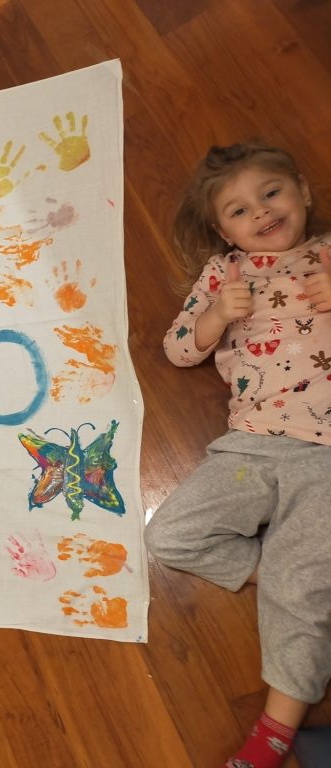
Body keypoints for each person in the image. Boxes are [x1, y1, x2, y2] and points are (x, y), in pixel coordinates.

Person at [145, 140, 331, 768]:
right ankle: (294, 578)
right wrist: (216, 315)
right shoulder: (223, 274)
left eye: (271, 194)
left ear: (303, 192)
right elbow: (178, 350)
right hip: (251, 444)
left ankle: (273, 733)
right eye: (240, 210)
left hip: (326, 454)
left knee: (300, 594)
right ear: (224, 232)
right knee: (169, 536)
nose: (262, 212)